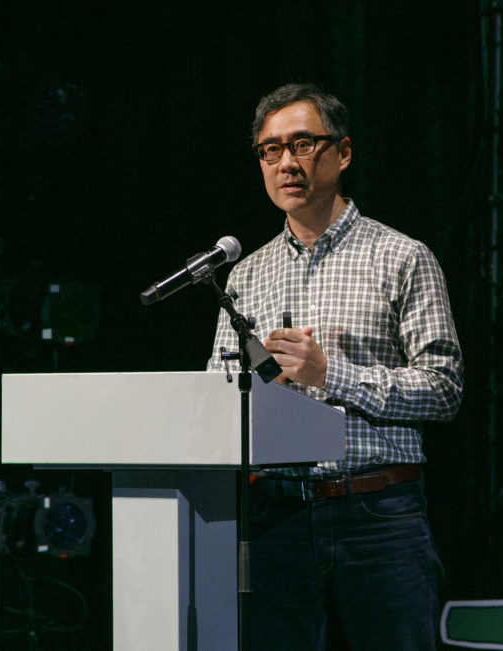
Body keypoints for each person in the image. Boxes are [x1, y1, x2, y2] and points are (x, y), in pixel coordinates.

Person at [206, 82, 464, 650]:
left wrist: (330, 374)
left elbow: (444, 390)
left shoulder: (402, 256)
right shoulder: (244, 275)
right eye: (270, 150)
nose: (285, 162)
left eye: (302, 143)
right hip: (277, 518)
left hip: (379, 512)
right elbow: (219, 397)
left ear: (342, 153)